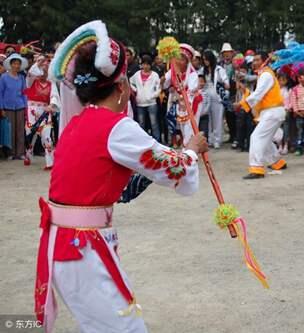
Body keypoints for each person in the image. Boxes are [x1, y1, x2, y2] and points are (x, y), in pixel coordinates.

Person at [36, 20, 207, 333]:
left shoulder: (76, 122)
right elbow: (173, 167)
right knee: (125, 328)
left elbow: (130, 179)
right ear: (120, 88)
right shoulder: (116, 127)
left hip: (67, 244)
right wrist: (193, 150)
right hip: (82, 249)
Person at [237, 51, 287, 179]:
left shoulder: (265, 75)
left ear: (265, 61)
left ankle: (257, 168)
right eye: (253, 60)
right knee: (265, 138)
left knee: (256, 137)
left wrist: (242, 103)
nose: (254, 63)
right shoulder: (264, 74)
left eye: (257, 60)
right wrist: (245, 93)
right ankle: (277, 163)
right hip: (271, 112)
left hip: (272, 112)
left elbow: (258, 94)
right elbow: (258, 94)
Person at [164, 43, 201, 146]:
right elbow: (164, 85)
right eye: (177, 58)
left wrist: (182, 99)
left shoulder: (193, 74)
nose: (179, 61)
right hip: (181, 103)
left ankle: (190, 152)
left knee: (190, 128)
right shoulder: (172, 71)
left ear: (187, 62)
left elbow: (192, 90)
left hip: (193, 102)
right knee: (183, 127)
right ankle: (187, 152)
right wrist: (162, 80)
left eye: (182, 59)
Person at [23, 61, 58, 169]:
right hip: (32, 110)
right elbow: (30, 73)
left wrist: (52, 105)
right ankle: (28, 154)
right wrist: (38, 63)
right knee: (31, 135)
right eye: (42, 70)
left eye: (46, 71)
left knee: (47, 136)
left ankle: (49, 162)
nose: (43, 73)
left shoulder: (51, 83)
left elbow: (54, 96)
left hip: (45, 111)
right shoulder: (31, 81)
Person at [0, 53, 28, 159]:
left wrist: (26, 107)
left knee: (20, 130)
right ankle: (10, 153)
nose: (16, 66)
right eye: (14, 63)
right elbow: (0, 93)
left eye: (18, 64)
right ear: (10, 64)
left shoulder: (21, 78)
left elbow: (24, 93)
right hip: (8, 107)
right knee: (9, 131)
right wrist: (1, 108)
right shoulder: (3, 77)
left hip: (20, 106)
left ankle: (20, 153)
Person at [130, 54, 162, 141]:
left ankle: (157, 141)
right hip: (140, 102)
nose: (145, 66)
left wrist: (153, 96)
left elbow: (159, 87)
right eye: (144, 64)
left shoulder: (154, 75)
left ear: (150, 65)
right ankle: (142, 141)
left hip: (152, 103)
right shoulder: (137, 74)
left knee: (154, 123)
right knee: (141, 123)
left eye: (147, 64)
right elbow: (130, 82)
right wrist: (135, 90)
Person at [202, 50, 229, 149]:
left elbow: (226, 81)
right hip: (205, 95)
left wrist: (224, 83)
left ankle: (217, 140)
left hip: (216, 95)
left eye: (207, 59)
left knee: (217, 118)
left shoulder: (219, 69)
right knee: (208, 119)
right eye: (204, 60)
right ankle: (209, 139)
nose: (205, 62)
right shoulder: (202, 70)